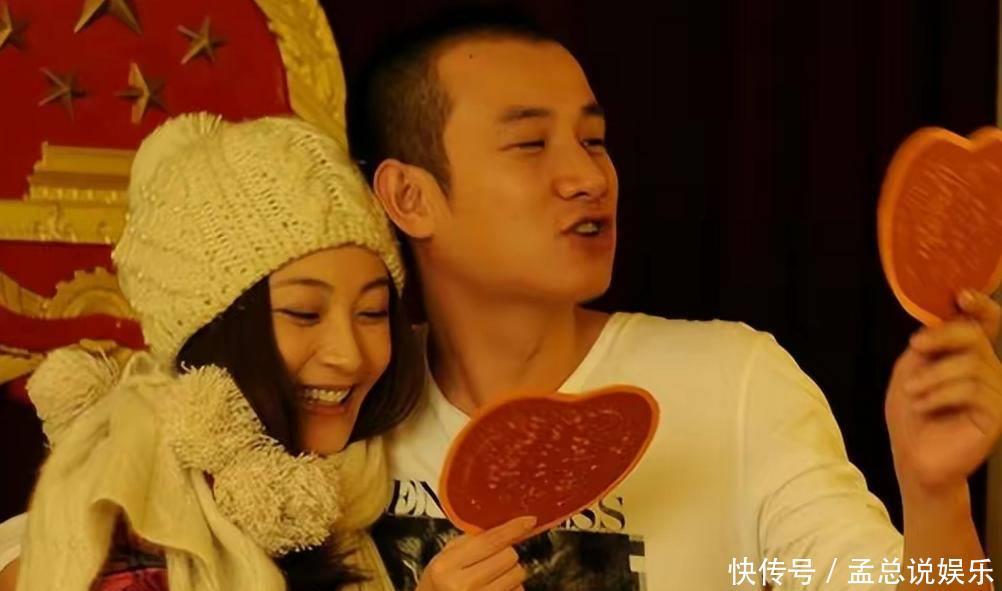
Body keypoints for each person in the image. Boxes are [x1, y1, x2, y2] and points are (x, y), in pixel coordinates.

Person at [347, 8, 1002, 590]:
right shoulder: (353, 411)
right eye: (530, 145)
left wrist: (935, 494)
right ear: (410, 197)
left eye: (593, 140)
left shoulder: (735, 382)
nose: (588, 177)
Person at [0, 113, 423, 591]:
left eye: (371, 312)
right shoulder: (119, 535)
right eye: (304, 313)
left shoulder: (376, 476)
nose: (349, 355)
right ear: (209, 331)